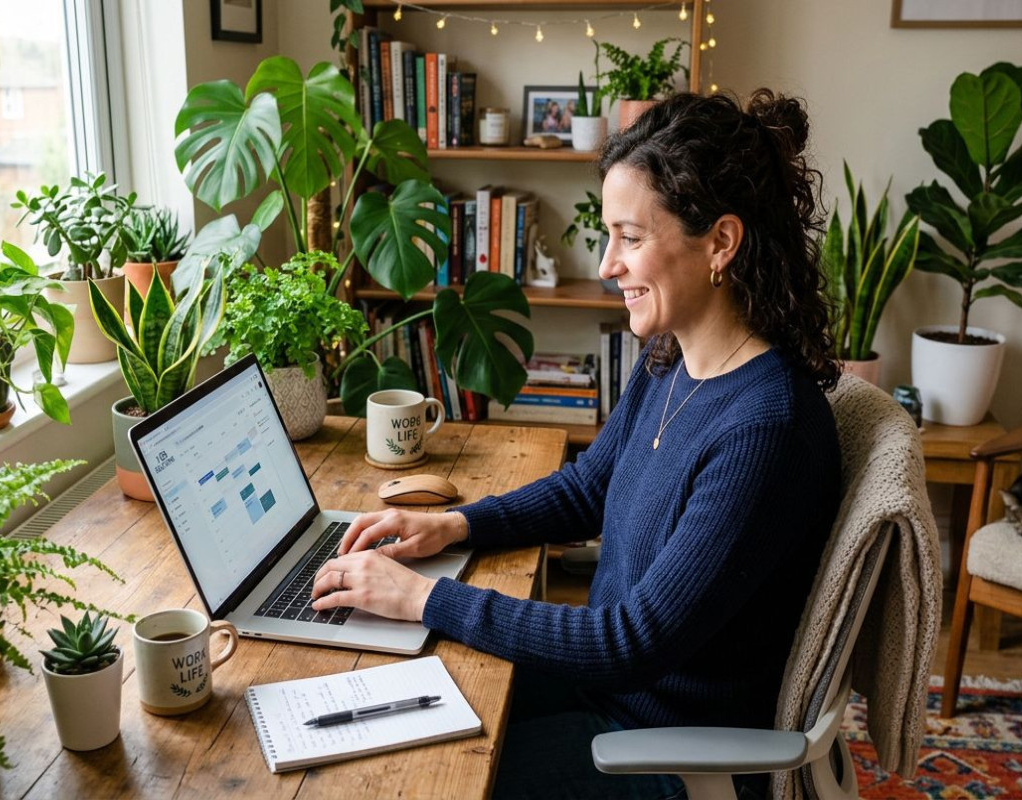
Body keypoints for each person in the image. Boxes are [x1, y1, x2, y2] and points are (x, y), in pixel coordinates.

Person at [312, 89, 842, 800]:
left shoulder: (766, 430)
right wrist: (454, 524)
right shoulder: (675, 359)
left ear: (720, 242)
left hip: (666, 753)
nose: (605, 265)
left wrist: (424, 600)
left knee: (407, 782)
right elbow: (588, 486)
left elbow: (632, 642)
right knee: (370, 707)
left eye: (630, 237)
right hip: (602, 696)